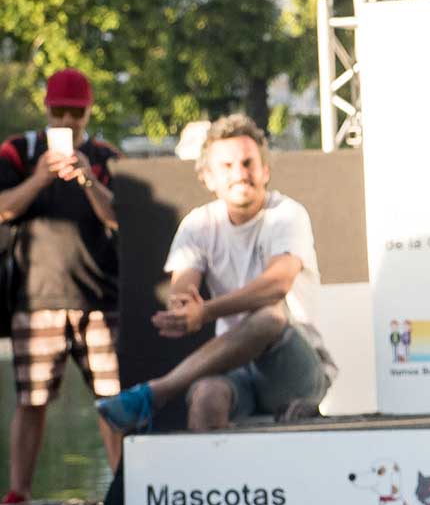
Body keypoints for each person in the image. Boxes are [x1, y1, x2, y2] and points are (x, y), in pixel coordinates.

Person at [97, 114, 334, 433]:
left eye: (248, 163)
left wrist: (205, 311)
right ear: (207, 178)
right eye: (227, 166)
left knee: (269, 317)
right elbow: (183, 289)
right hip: (237, 369)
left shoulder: (286, 214)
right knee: (207, 397)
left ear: (265, 171)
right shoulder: (198, 224)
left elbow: (276, 285)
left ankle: (158, 392)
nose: (240, 174)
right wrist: (183, 309)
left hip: (296, 368)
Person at [0, 68, 122, 504]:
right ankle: (19, 493)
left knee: (113, 402)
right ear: (46, 109)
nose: (68, 121)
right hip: (36, 298)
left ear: (89, 111)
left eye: (77, 112)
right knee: (31, 401)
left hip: (100, 299)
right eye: (60, 111)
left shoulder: (105, 155)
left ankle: (123, 490)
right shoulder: (18, 151)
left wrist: (87, 177)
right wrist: (40, 178)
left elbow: (119, 217)